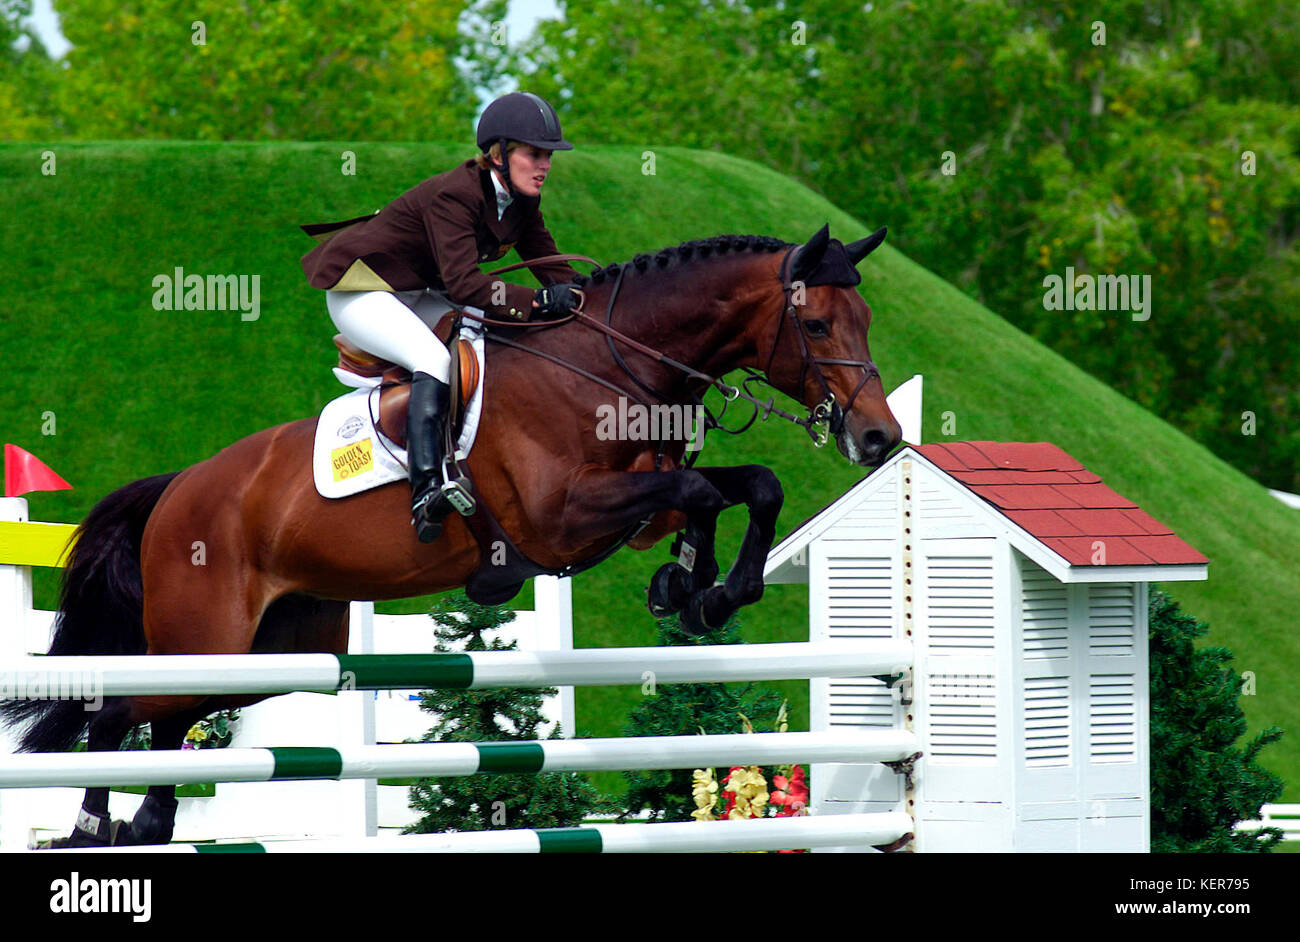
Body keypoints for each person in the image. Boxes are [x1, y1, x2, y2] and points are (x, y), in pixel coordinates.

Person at [301, 92, 583, 542]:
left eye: (547, 155)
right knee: (433, 360)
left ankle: (471, 454)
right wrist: (537, 303)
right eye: (534, 153)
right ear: (499, 153)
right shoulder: (457, 194)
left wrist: (592, 294)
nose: (544, 164)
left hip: (416, 292)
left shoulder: (522, 201)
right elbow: (467, 285)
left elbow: (552, 266)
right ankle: (427, 488)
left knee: (482, 341)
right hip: (362, 290)